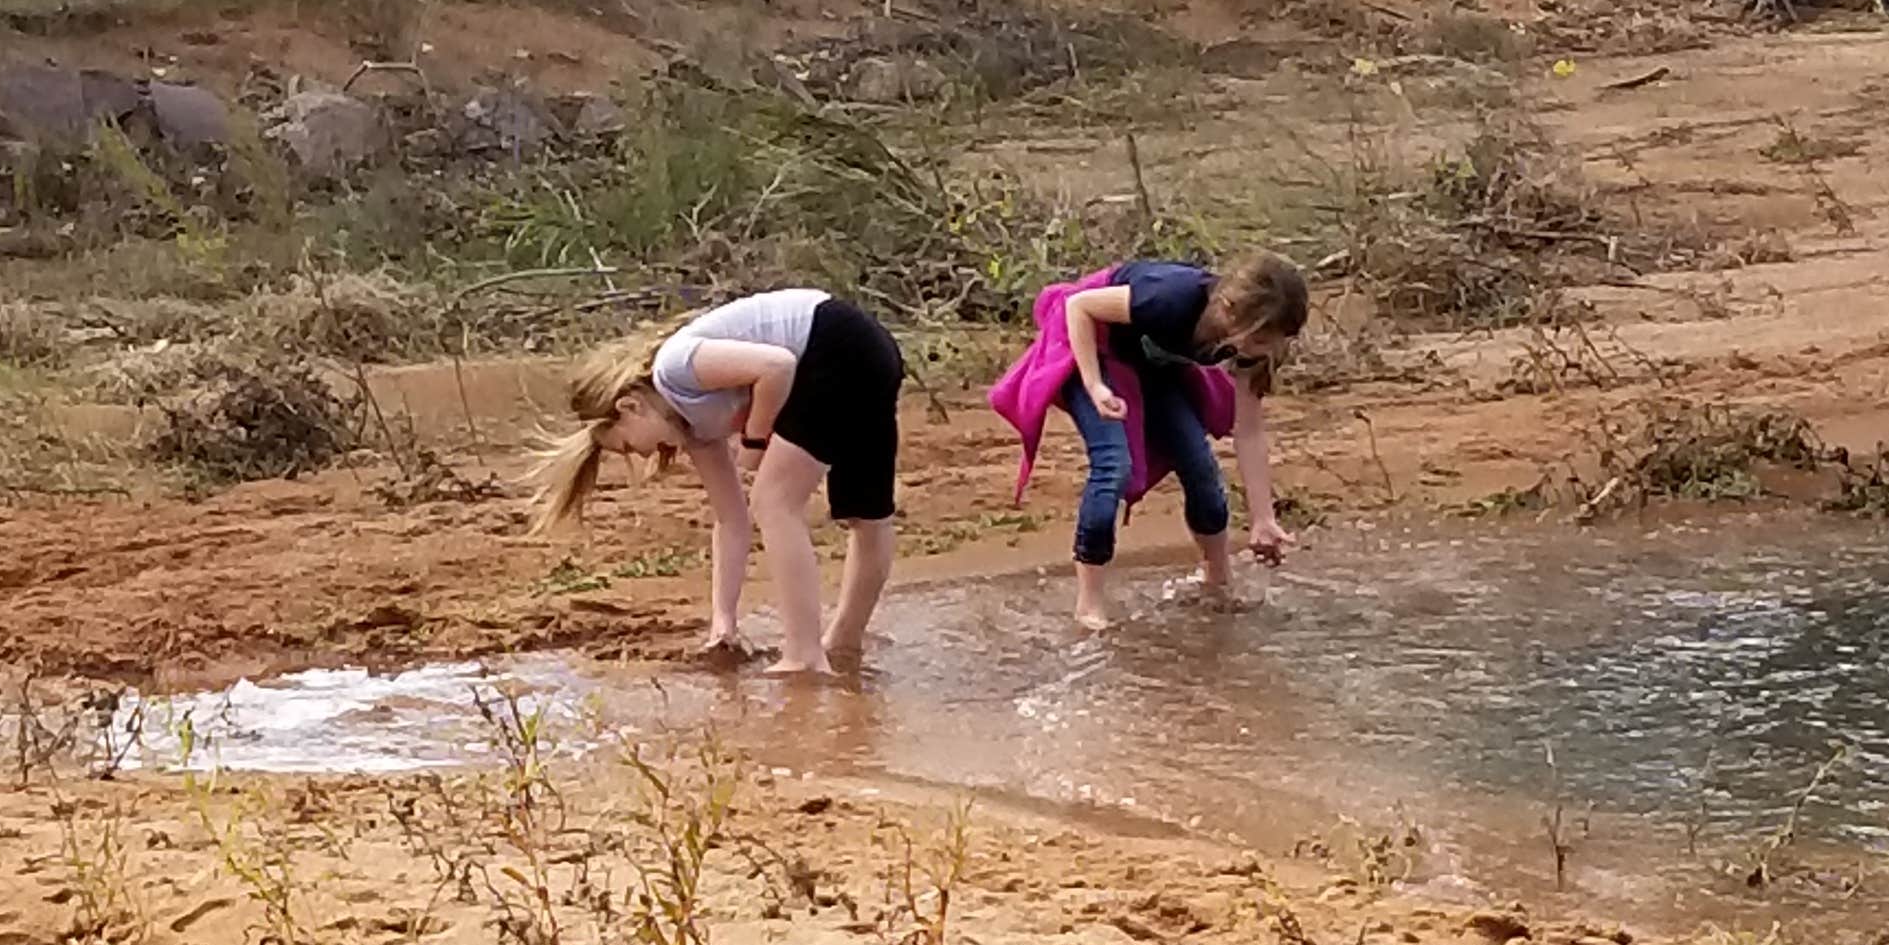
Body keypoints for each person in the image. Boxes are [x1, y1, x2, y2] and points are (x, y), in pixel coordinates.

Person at [525, 287, 904, 676]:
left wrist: (755, 439)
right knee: (867, 516)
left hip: (837, 343)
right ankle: (844, 642)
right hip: (869, 352)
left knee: (774, 502)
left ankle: (804, 654)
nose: (640, 456)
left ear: (629, 408)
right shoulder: (695, 430)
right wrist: (723, 618)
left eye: (624, 446)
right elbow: (730, 520)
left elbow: (778, 366)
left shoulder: (674, 368)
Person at [991, 251, 1310, 631]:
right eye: (1258, 340)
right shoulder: (1169, 297)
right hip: (1094, 345)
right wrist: (1094, 385)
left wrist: (1263, 517)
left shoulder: (1256, 345)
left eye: (1272, 343)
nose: (1263, 352)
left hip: (1152, 363)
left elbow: (1250, 429)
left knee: (1200, 466)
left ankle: (1217, 581)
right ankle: (1089, 605)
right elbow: (1078, 307)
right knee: (1114, 465)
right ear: (1227, 309)